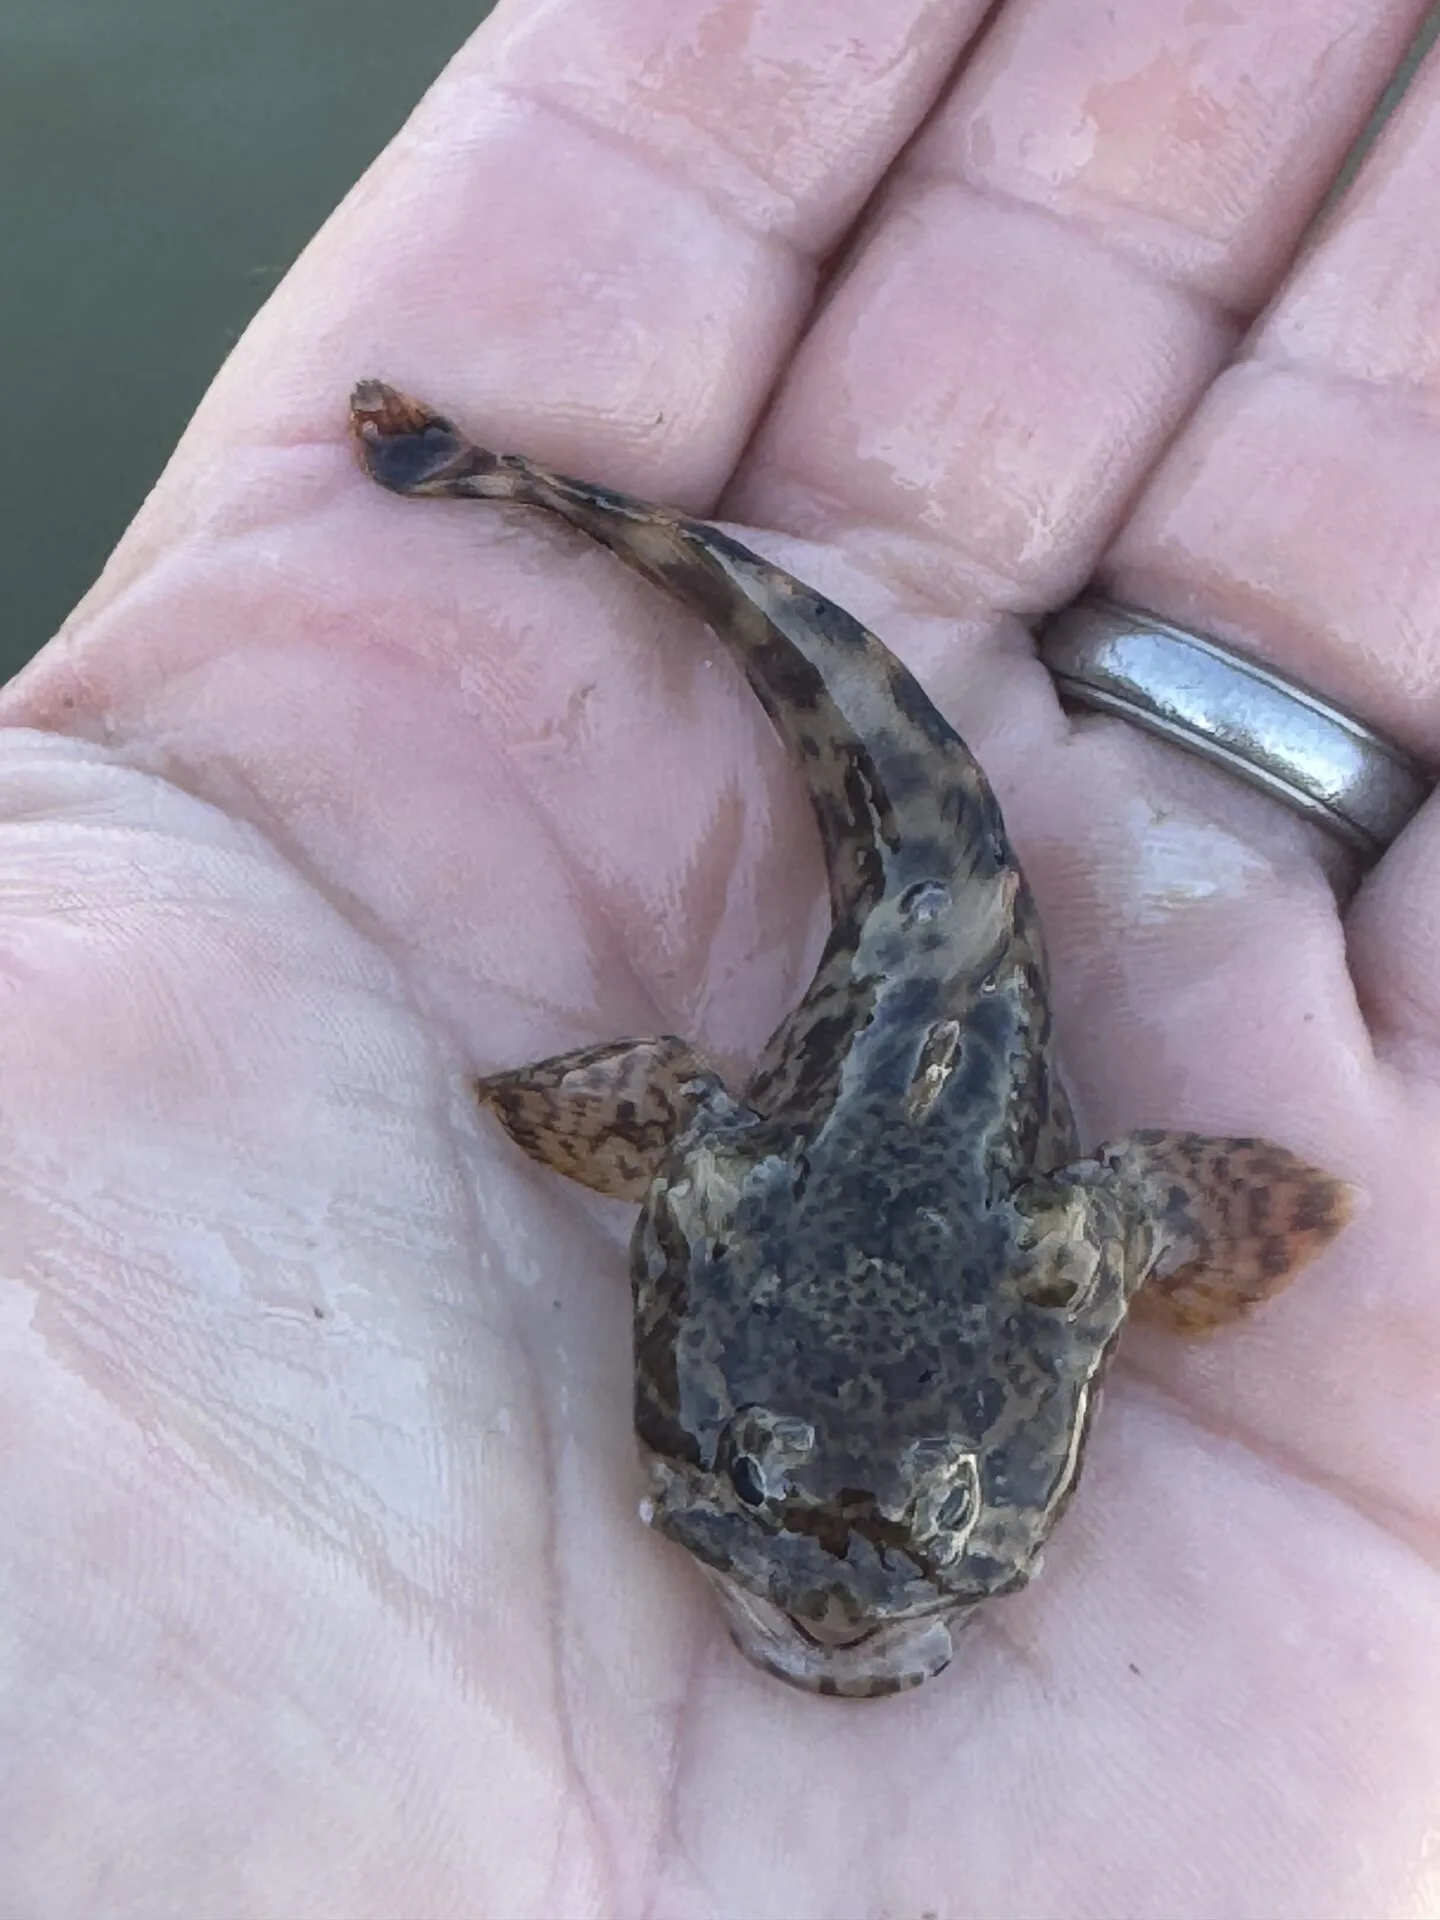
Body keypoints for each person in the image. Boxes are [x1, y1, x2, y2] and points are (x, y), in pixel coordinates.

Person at [2, 1, 1436, 1913]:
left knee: (880, 790)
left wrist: (531, 1109)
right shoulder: (1020, 1233)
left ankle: (521, 488)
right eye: (778, 1478)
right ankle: (521, 490)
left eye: (927, 1516)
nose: (834, 1585)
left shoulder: (982, 1224)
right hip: (923, 1009)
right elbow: (1241, 1210)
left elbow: (718, 1119)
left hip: (916, 1028)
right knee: (873, 783)